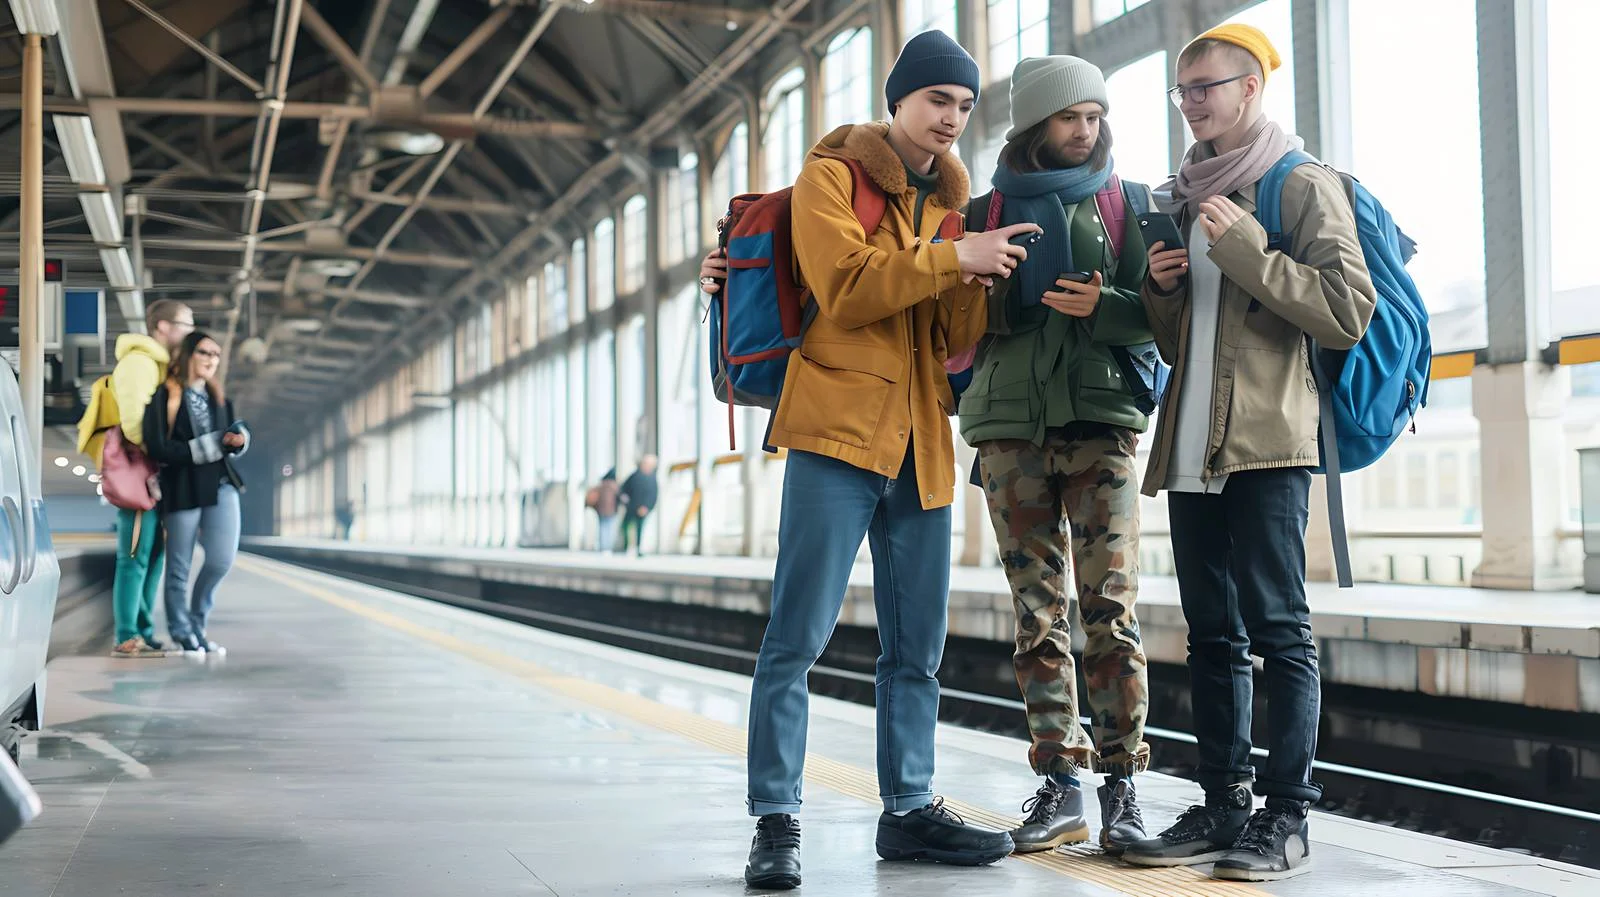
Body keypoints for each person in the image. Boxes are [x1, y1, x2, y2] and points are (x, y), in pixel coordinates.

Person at [699, 29, 1041, 891]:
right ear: (898, 100)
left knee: (916, 649)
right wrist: (948, 259)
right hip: (835, 431)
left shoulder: (954, 208)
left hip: (922, 441)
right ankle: (776, 820)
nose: (951, 120)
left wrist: (980, 282)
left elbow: (953, 343)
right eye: (937, 101)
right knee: (796, 637)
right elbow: (846, 287)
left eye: (964, 107)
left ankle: (909, 809)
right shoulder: (832, 176)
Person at [1119, 25, 1375, 882]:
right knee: (1211, 637)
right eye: (1182, 89)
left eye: (1208, 85)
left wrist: (1248, 250)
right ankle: (1224, 802)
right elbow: (1188, 339)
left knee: (1280, 631)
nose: (1192, 101)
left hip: (1268, 445)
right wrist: (1162, 293)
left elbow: (1346, 308)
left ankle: (1288, 814)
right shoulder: (1186, 194)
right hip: (1192, 448)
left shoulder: (1298, 183)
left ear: (1252, 87)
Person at [959, 55, 1154, 857]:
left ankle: (1123, 784)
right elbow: (947, 323)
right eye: (1074, 116)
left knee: (1110, 607)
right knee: (1035, 615)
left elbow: (1161, 313)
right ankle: (1060, 783)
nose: (1089, 129)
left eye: (1097, 115)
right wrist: (990, 285)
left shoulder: (1129, 205)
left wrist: (1105, 305)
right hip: (1009, 429)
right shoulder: (979, 208)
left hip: (1100, 425)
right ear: (1037, 123)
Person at [78, 299, 194, 658]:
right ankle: (126, 635)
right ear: (163, 326)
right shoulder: (140, 363)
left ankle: (143, 629)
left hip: (155, 475)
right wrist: (163, 452)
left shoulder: (163, 366)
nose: (189, 332)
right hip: (141, 473)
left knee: (154, 554)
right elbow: (133, 423)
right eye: (186, 325)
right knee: (134, 555)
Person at [143, 331, 252, 656]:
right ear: (189, 354)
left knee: (221, 560)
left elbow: (231, 439)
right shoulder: (166, 396)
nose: (211, 359)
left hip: (220, 485)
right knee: (179, 566)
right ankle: (182, 633)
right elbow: (159, 448)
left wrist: (239, 441)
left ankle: (197, 623)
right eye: (205, 352)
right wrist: (213, 444)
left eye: (216, 355)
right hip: (182, 487)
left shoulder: (221, 399)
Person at [617, 456, 658, 556]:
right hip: (632, 507)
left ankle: (638, 548)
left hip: (643, 509)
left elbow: (653, 496)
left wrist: (647, 507)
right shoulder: (634, 476)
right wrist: (627, 503)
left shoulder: (652, 479)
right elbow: (623, 490)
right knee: (625, 526)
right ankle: (626, 547)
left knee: (640, 529)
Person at [587, 469, 621, 552]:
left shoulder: (600, 485)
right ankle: (608, 547)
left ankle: (603, 546)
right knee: (609, 529)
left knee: (602, 528)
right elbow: (620, 498)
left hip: (601, 510)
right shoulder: (615, 486)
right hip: (611, 511)